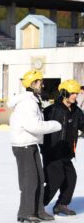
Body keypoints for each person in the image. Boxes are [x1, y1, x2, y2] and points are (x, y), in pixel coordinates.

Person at [8, 69, 61, 223]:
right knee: (29, 180)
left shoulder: (33, 100)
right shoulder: (27, 103)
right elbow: (33, 126)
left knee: (39, 178)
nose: (42, 84)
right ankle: (25, 212)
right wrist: (56, 125)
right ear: (32, 84)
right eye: (39, 81)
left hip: (30, 143)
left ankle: (38, 210)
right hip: (23, 145)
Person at [42, 79, 84, 216]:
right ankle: (38, 205)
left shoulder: (76, 111)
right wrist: (44, 149)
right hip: (53, 152)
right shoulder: (51, 110)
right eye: (72, 93)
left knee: (71, 178)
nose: (75, 96)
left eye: (76, 93)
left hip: (66, 153)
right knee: (55, 179)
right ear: (64, 92)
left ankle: (61, 205)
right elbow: (40, 129)